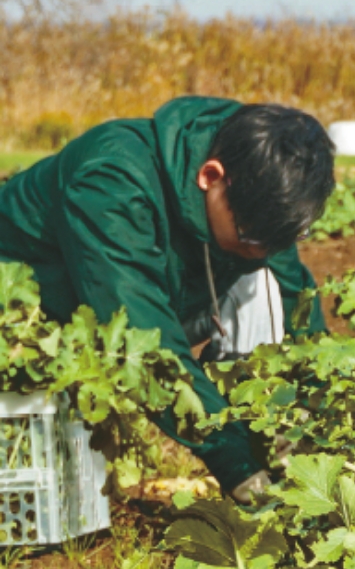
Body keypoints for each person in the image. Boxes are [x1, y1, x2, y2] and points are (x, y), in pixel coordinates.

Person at [0, 97, 335, 503]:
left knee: (261, 284)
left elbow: (292, 294)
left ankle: (265, 434)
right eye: (252, 237)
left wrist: (318, 410)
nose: (263, 250)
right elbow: (146, 341)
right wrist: (235, 464)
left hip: (147, 301)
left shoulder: (261, 183)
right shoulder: (110, 179)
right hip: (34, 322)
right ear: (211, 176)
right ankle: (239, 449)